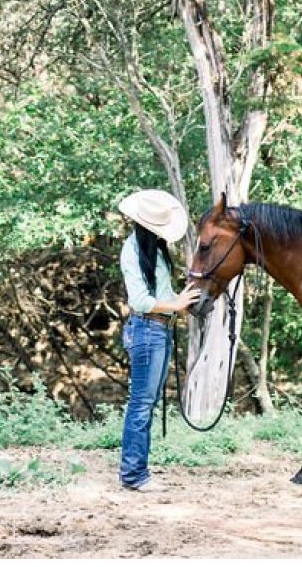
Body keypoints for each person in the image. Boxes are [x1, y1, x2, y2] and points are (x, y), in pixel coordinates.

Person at [117, 188, 199, 492]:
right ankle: (134, 474)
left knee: (144, 403)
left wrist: (179, 303)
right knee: (141, 403)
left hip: (158, 330)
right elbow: (139, 300)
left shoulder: (153, 250)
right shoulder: (133, 250)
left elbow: (160, 295)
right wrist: (177, 304)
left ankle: (137, 470)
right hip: (147, 330)